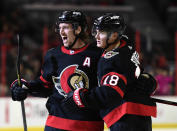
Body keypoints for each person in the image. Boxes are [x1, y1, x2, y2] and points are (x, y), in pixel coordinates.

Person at [10, 10, 104, 131]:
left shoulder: (98, 55)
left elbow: (105, 91)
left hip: (88, 126)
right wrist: (25, 87)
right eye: (59, 28)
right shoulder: (53, 55)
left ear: (78, 29)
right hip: (55, 125)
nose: (61, 32)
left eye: (65, 28)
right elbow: (45, 86)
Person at [61, 13, 157, 131]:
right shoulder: (127, 46)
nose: (96, 36)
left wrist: (80, 97)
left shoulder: (111, 60)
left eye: (101, 33)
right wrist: (147, 79)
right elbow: (133, 73)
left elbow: (111, 93)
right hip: (141, 114)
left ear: (114, 35)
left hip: (125, 117)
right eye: (96, 32)